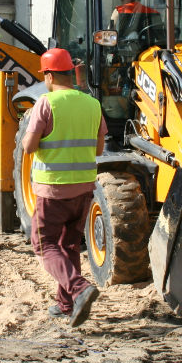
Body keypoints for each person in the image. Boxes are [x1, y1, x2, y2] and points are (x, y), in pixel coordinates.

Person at [21, 48, 107, 327]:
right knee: (68, 244)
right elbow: (99, 147)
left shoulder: (46, 103)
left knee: (44, 244)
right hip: (84, 189)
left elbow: (29, 146)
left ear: (48, 75)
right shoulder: (92, 104)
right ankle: (66, 303)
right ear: (70, 73)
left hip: (53, 189)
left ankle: (79, 288)